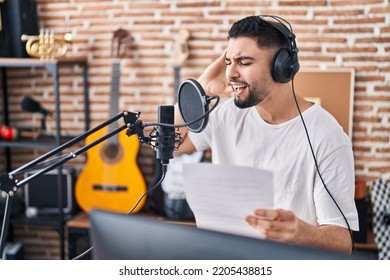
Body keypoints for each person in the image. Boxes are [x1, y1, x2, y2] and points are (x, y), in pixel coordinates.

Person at [175, 15, 359, 254]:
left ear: (282, 66)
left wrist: (299, 233)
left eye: (244, 62)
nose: (230, 73)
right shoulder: (227, 115)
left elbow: (342, 242)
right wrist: (197, 90)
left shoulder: (327, 136)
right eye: (229, 61)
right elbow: (173, 143)